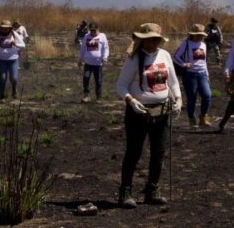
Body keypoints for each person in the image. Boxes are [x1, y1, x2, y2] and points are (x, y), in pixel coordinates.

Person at [116, 23, 182, 209]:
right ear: (142, 40)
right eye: (149, 40)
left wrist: (178, 99)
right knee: (134, 151)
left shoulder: (165, 55)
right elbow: (121, 85)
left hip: (161, 111)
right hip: (139, 113)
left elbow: (173, 82)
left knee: (159, 152)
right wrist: (131, 101)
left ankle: (152, 190)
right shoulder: (134, 59)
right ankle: (125, 192)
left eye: (156, 40)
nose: (153, 43)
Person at [173, 24, 212, 128]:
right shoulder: (185, 44)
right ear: (192, 34)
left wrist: (207, 75)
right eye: (198, 34)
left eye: (201, 35)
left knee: (207, 96)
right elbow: (176, 56)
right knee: (192, 98)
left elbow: (204, 61)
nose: (200, 36)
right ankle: (192, 119)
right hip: (190, 75)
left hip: (202, 74)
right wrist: (184, 64)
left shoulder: (203, 45)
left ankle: (204, 118)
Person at [0, 20, 25, 100]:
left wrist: (15, 44)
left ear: (10, 28)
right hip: (1, 60)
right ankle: (2, 97)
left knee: (14, 78)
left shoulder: (13, 34)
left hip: (13, 59)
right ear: (1, 28)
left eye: (7, 28)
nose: (5, 30)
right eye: (3, 28)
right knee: (2, 78)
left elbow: (23, 45)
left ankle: (14, 90)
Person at [78, 22, 109, 102]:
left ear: (98, 29)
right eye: (91, 31)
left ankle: (99, 97)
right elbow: (83, 48)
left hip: (98, 64)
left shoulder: (102, 36)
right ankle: (86, 96)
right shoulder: (86, 36)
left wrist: (105, 57)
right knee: (86, 79)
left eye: (94, 31)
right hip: (88, 63)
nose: (93, 32)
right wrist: (80, 59)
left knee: (98, 80)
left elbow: (106, 48)